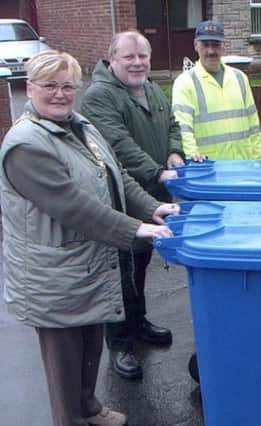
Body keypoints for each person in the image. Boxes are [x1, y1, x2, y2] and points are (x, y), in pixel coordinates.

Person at [0, 50, 179, 426]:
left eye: (68, 86)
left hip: (85, 262)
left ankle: (89, 407)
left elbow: (117, 176)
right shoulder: (25, 145)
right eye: (49, 85)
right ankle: (70, 419)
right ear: (29, 88)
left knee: (90, 340)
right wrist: (134, 229)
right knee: (63, 357)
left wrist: (151, 208)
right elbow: (73, 207)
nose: (60, 94)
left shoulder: (81, 126)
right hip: (52, 272)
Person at [80, 31, 185, 380]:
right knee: (120, 272)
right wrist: (157, 172)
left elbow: (172, 124)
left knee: (139, 264)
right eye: (129, 57)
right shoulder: (98, 96)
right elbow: (118, 145)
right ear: (112, 59)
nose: (138, 62)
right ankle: (120, 342)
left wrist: (174, 151)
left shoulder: (152, 88)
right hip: (121, 198)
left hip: (152, 196)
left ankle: (138, 324)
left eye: (143, 55)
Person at [172, 20, 261, 161]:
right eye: (205, 45)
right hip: (210, 170)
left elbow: (253, 125)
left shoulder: (240, 78)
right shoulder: (184, 83)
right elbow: (183, 129)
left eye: (215, 44)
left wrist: (259, 160)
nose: (211, 51)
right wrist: (193, 159)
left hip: (244, 166)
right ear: (196, 45)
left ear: (223, 46)